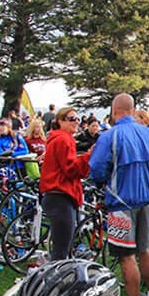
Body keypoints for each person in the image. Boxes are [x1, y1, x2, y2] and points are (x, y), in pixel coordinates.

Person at [89, 93, 149, 296]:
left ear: (114, 112)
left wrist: (101, 182)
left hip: (120, 202)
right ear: (133, 110)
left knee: (126, 256)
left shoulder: (110, 136)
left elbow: (97, 168)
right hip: (147, 200)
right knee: (144, 250)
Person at [40, 107, 92, 261]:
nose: (76, 121)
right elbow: (70, 168)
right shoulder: (63, 139)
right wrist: (89, 156)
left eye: (77, 118)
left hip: (58, 196)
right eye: (71, 119)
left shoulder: (58, 138)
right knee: (61, 250)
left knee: (63, 246)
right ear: (60, 121)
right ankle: (54, 282)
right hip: (61, 196)